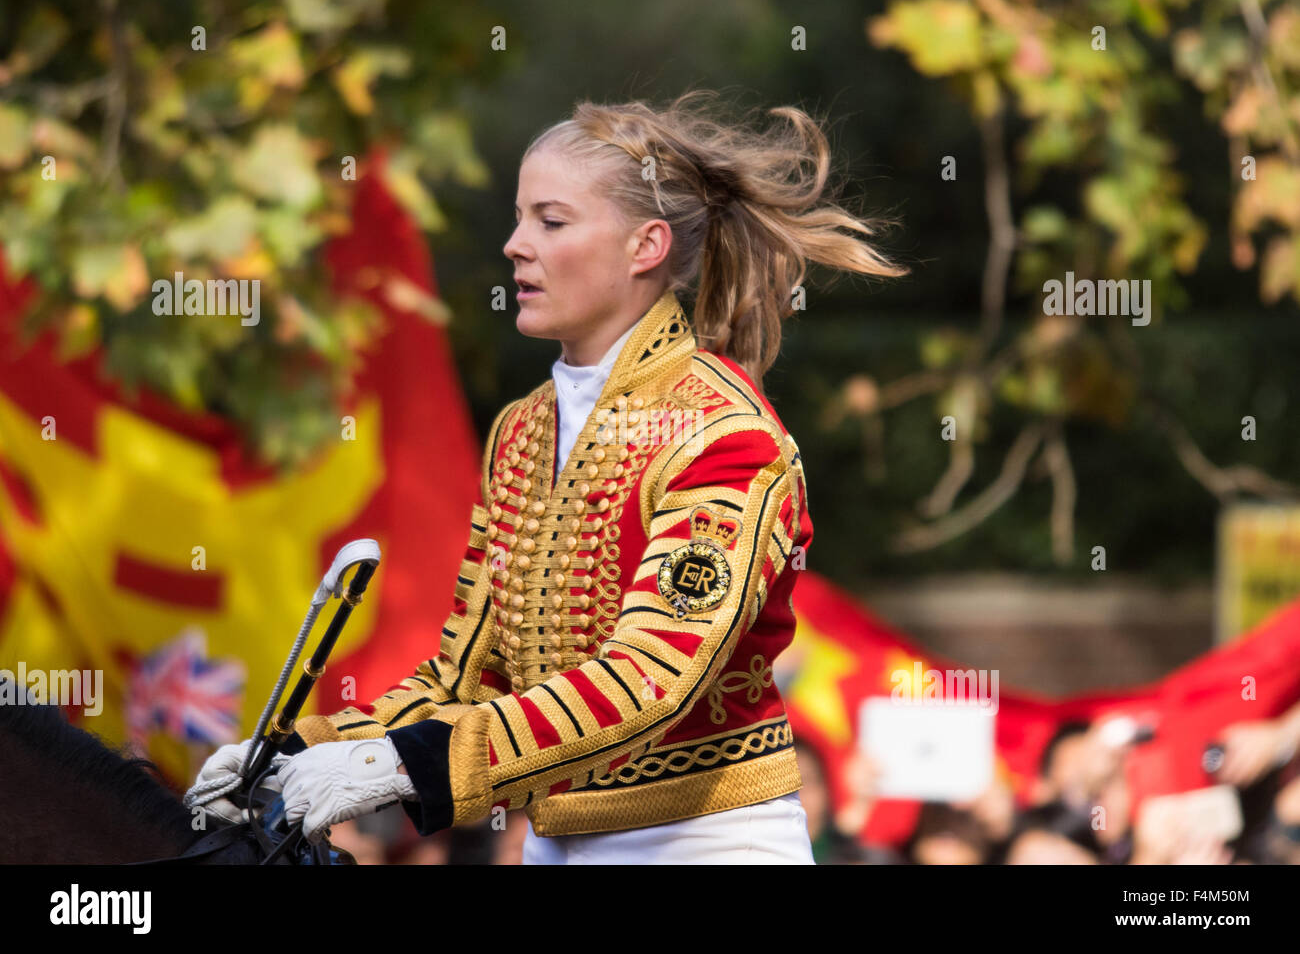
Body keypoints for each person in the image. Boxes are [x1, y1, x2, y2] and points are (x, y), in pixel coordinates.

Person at [188, 90, 907, 863]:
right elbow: (469, 674)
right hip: (552, 841)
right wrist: (297, 752)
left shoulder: (724, 433)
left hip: (705, 842)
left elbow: (651, 677)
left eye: (550, 221)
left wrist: (405, 765)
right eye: (520, 217)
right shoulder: (521, 430)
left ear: (645, 246)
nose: (514, 245)